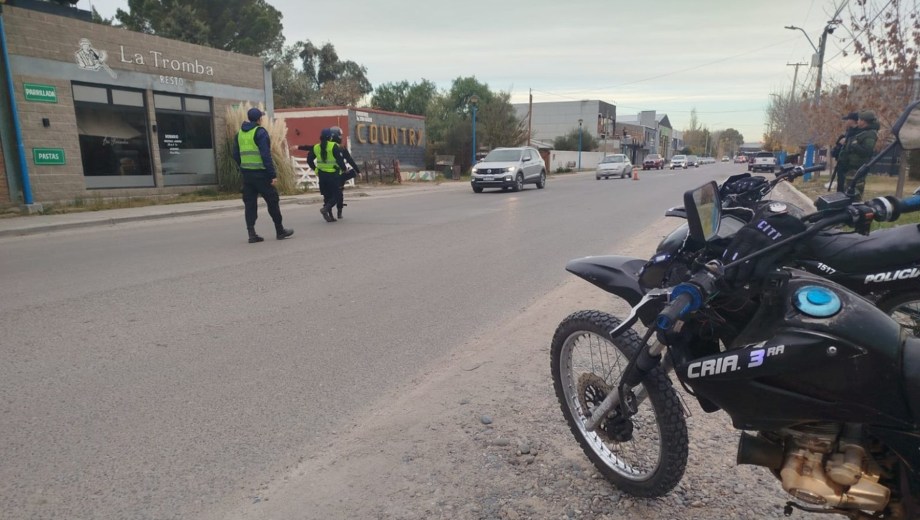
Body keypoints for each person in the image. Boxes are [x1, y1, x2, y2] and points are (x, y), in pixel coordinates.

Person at [232, 107, 294, 243]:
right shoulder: (260, 132)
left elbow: (235, 154)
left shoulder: (239, 134)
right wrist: (272, 174)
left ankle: (251, 233)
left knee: (250, 204)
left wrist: (243, 167)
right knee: (273, 201)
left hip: (247, 175)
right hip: (261, 174)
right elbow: (266, 155)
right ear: (259, 119)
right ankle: (280, 230)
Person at [303, 128, 348, 222]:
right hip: (333, 175)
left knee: (327, 196)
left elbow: (309, 160)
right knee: (337, 195)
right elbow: (340, 160)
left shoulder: (316, 147)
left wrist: (316, 169)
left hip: (322, 176)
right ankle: (326, 209)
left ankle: (330, 216)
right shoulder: (334, 146)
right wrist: (344, 169)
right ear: (330, 137)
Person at [838, 110, 880, 200]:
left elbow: (867, 151)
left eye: (860, 120)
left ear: (864, 122)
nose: (858, 121)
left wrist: (855, 145)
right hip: (851, 166)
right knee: (848, 189)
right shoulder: (862, 132)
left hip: (858, 168)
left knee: (855, 190)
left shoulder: (870, 134)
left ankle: (855, 208)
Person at [328, 126, 360, 219]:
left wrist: (357, 170)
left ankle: (333, 211)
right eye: (340, 135)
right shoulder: (338, 147)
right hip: (336, 174)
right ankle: (334, 211)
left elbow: (349, 159)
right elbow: (348, 160)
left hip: (328, 174)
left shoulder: (327, 147)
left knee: (331, 193)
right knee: (338, 193)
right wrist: (355, 170)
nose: (341, 137)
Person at [829, 112, 859, 192]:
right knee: (840, 186)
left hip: (849, 164)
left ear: (852, 121)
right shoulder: (848, 132)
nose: (846, 122)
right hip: (841, 163)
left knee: (846, 187)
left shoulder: (857, 133)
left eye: (848, 120)